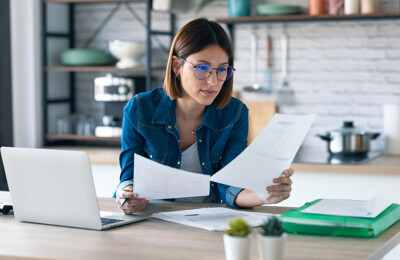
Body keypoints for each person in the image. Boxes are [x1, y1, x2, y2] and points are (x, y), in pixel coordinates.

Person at [115, 18, 293, 214]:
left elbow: (230, 186)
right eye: (202, 68)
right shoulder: (140, 109)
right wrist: (128, 196)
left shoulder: (235, 114)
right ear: (176, 66)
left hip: (212, 219)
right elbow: (129, 178)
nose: (213, 81)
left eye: (222, 70)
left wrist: (263, 195)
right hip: (157, 218)